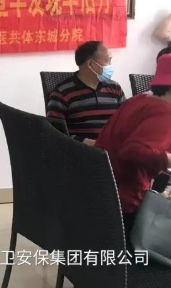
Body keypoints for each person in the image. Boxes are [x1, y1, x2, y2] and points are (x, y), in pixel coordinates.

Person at [95, 54, 171, 246]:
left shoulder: (140, 99)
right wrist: (167, 159)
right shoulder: (164, 112)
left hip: (99, 189)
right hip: (126, 203)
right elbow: (133, 151)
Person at [46, 40, 125, 145]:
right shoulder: (62, 93)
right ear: (90, 64)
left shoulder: (115, 88)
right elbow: (53, 132)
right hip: (81, 150)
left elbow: (126, 121)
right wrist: (83, 142)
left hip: (114, 149)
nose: (110, 65)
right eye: (107, 61)